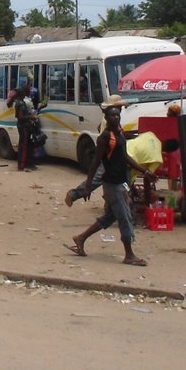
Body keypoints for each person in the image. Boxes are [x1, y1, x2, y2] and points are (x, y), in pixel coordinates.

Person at [66, 98, 153, 267]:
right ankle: (129, 255)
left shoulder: (118, 134)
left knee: (110, 216)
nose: (116, 118)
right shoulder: (105, 138)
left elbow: (125, 157)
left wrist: (144, 172)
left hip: (121, 182)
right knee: (125, 218)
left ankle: (80, 238)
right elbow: (95, 162)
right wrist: (89, 186)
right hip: (113, 184)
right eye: (113, 115)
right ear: (107, 117)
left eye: (118, 115)